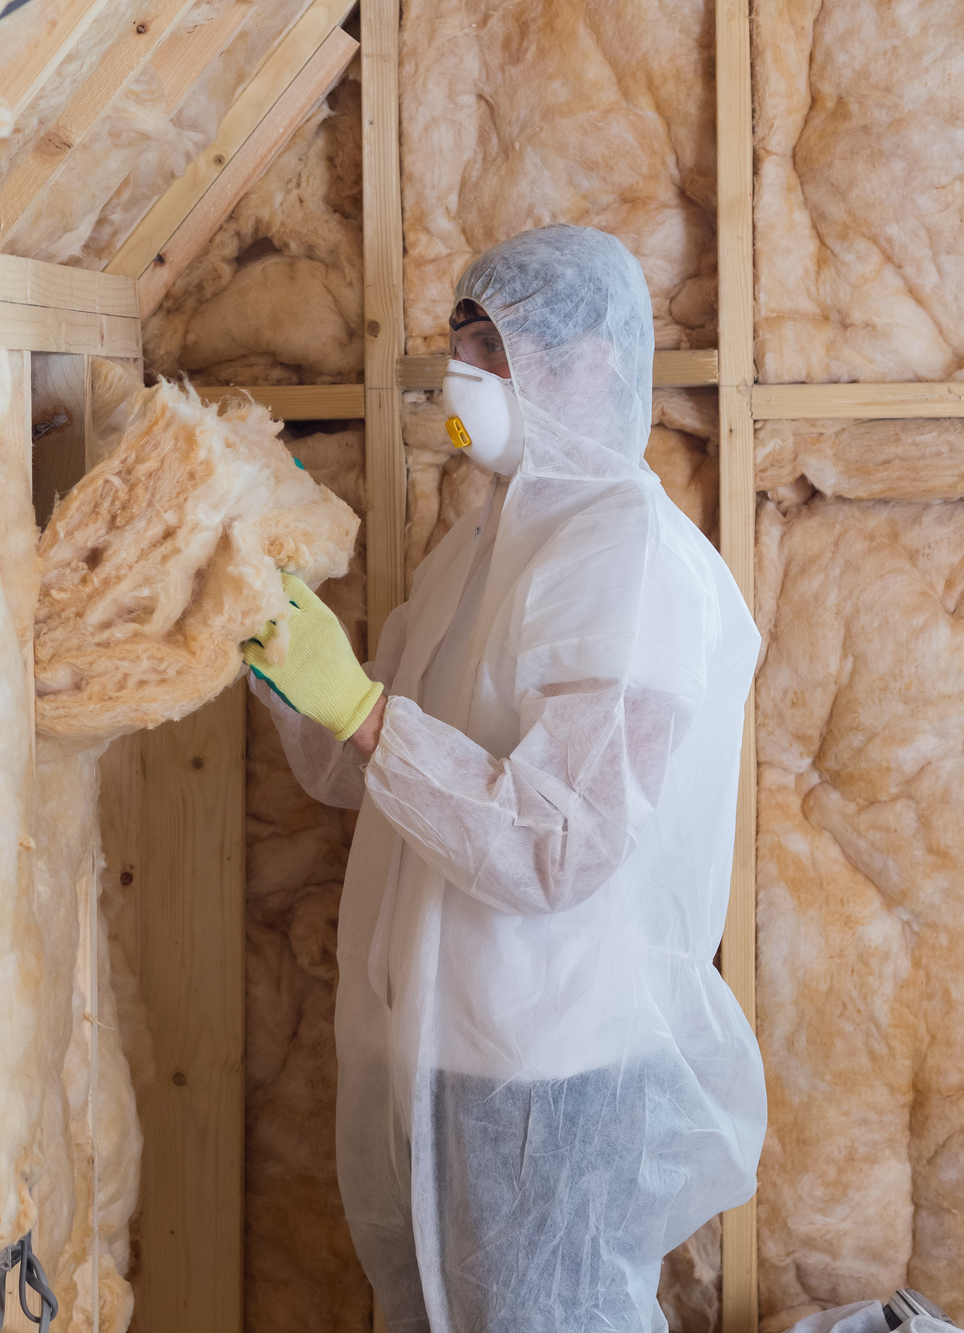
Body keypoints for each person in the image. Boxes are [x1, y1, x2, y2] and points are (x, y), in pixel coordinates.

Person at [242, 225, 765, 1333]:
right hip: (446, 1048)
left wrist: (365, 712)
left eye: (497, 343)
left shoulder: (625, 556)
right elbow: (366, 767)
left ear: (596, 366)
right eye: (461, 336)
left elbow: (556, 844)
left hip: (547, 1059)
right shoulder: (476, 549)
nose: (464, 369)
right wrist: (273, 633)